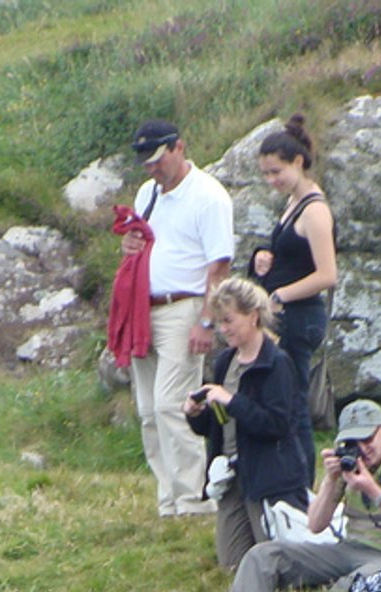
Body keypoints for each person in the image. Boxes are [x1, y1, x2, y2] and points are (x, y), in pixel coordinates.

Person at [173, 399, 381, 592]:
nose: (362, 449)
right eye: (352, 442)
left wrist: (373, 491)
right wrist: (332, 481)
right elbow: (316, 524)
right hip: (351, 547)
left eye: (367, 440)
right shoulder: (351, 461)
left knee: (356, 583)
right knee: (264, 554)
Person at [122, 119, 235, 519]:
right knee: (149, 409)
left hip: (184, 306)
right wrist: (130, 244)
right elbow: (141, 245)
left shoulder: (208, 197)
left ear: (179, 148)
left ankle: (192, 497)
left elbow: (218, 264)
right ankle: (168, 497)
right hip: (144, 309)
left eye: (157, 159)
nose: (151, 168)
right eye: (146, 162)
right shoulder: (147, 193)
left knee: (173, 404)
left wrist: (206, 321)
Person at [184, 277, 312, 571]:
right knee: (233, 564)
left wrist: (232, 401)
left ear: (253, 316)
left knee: (276, 562)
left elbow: (277, 424)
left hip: (268, 476)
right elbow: (216, 426)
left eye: (228, 321)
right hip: (231, 476)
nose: (223, 329)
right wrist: (196, 413)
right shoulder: (225, 361)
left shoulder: (277, 363)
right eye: (218, 322)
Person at [247, 116, 337, 470]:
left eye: (276, 172)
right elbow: (294, 256)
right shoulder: (292, 204)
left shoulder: (314, 210)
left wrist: (279, 296)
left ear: (298, 162)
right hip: (286, 316)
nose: (272, 181)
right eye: (266, 174)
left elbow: (327, 274)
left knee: (297, 399)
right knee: (284, 395)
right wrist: (262, 259)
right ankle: (289, 469)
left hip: (299, 319)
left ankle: (303, 479)